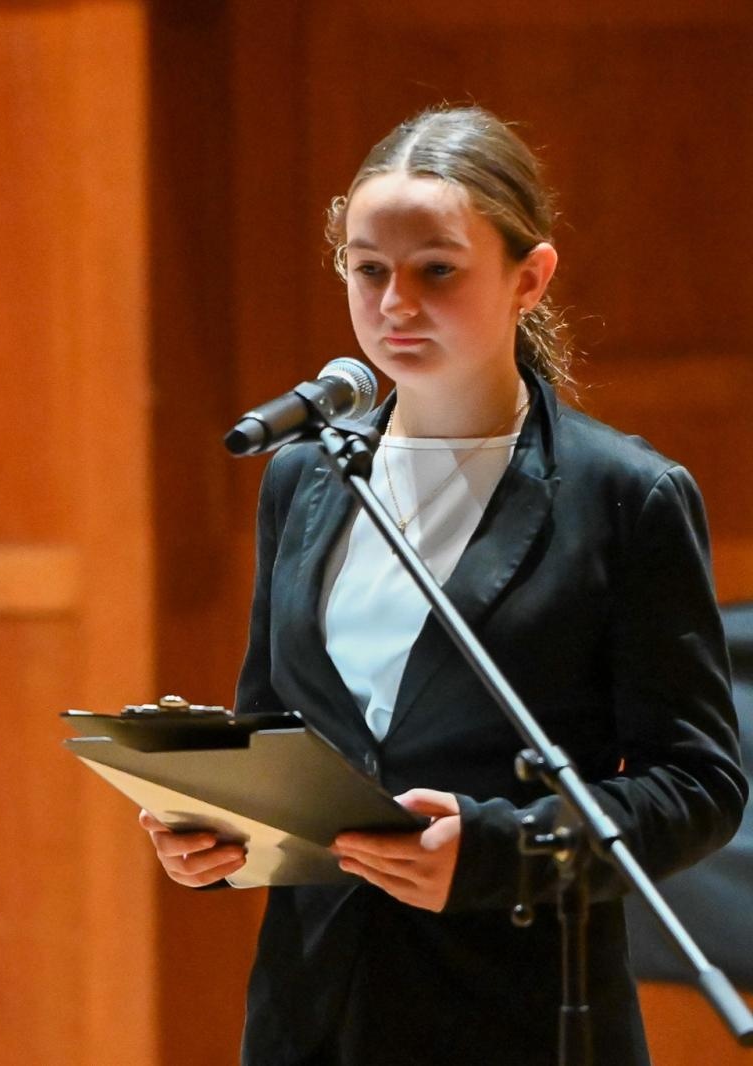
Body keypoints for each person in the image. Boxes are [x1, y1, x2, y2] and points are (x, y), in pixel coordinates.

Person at [140, 105, 745, 1065]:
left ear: (529, 278)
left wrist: (500, 850)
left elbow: (700, 784)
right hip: (314, 1011)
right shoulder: (306, 476)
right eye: (368, 269)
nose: (394, 304)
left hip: (519, 1010)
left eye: (437, 270)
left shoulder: (624, 495)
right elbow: (281, 732)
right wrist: (214, 827)